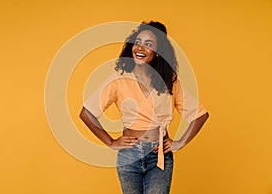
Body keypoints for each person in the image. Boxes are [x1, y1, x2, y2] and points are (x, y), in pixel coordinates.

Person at [79, 21, 209, 194]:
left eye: (148, 44)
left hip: (159, 156)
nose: (140, 48)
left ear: (157, 53)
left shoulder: (169, 82)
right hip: (129, 156)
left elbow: (199, 114)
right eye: (138, 42)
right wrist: (110, 142)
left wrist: (180, 143)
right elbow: (86, 113)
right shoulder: (119, 79)